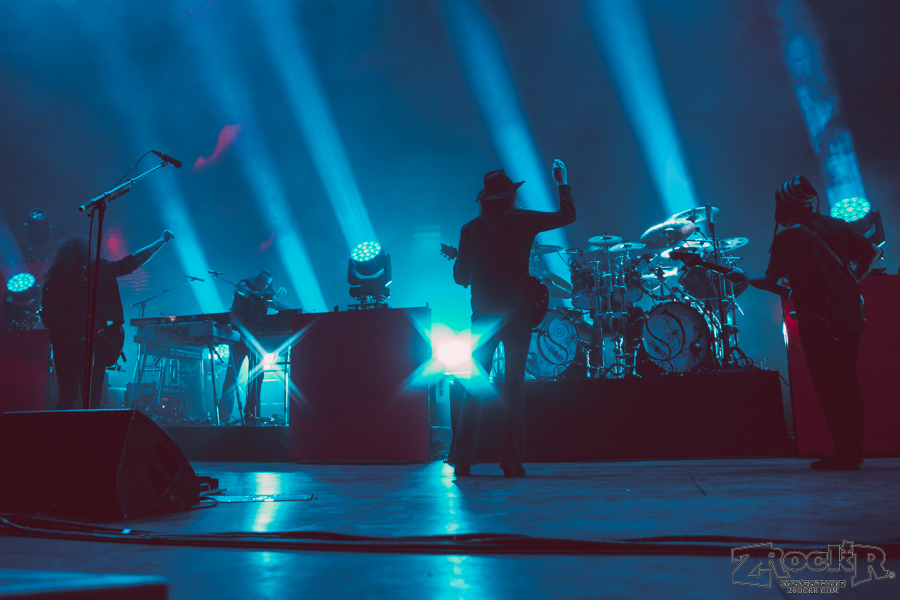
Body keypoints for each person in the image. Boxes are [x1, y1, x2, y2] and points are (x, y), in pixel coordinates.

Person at [726, 176, 880, 470]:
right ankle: (854, 450)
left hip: (819, 319)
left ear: (783, 206)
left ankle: (845, 453)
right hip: (849, 313)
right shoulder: (836, 225)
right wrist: (851, 281)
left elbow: (769, 280)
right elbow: (872, 252)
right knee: (849, 380)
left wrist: (743, 276)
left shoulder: (789, 237)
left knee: (829, 385)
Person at [451, 160, 576, 477]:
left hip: (483, 317)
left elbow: (461, 277)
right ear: (511, 197)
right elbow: (567, 216)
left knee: (476, 384)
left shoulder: (470, 230)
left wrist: (469, 264)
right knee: (514, 387)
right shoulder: (524, 220)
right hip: (518, 314)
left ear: (485, 200)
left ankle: (463, 459)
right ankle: (511, 461)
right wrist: (562, 183)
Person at [41, 231, 175, 410]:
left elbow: (47, 316)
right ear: (86, 253)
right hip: (92, 345)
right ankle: (92, 425)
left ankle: (61, 428)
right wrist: (161, 241)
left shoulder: (53, 280)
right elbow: (131, 263)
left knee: (66, 396)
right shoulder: (96, 271)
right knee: (92, 398)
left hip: (63, 346)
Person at [220, 268, 286, 424]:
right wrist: (272, 294)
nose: (265, 285)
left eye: (268, 283)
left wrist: (294, 312)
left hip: (256, 339)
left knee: (257, 376)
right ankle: (222, 417)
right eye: (263, 282)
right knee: (231, 376)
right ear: (257, 278)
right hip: (239, 337)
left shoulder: (267, 292)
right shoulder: (244, 285)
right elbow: (254, 295)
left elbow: (274, 303)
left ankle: (251, 414)